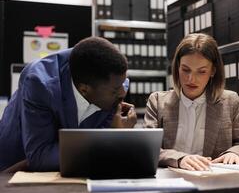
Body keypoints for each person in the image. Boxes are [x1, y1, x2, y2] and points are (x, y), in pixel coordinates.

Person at [0, 36, 137, 172]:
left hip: (73, 171)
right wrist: (113, 137)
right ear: (84, 89)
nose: (123, 93)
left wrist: (117, 135)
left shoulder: (111, 83)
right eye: (115, 90)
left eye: (124, 84)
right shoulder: (40, 84)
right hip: (16, 169)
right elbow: (40, 157)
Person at [144, 33, 239, 171]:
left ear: (213, 71)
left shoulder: (230, 101)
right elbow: (148, 149)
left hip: (212, 183)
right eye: (186, 70)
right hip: (170, 182)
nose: (191, 79)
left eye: (201, 72)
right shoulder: (157, 101)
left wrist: (234, 153)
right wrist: (180, 159)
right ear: (177, 67)